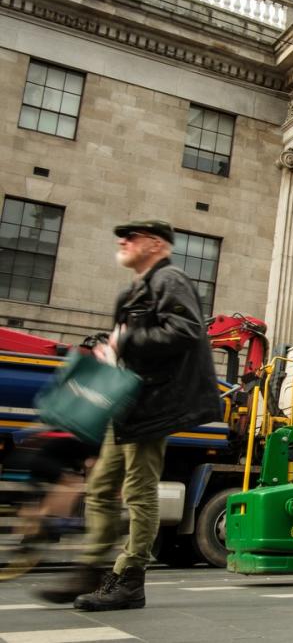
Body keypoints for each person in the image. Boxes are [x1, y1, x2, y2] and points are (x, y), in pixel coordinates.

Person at [38, 220, 219, 610]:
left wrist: (125, 340)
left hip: (152, 405)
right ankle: (91, 568)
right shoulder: (134, 289)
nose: (122, 241)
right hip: (128, 403)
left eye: (131, 237)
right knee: (102, 487)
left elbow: (186, 331)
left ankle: (129, 577)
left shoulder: (170, 279)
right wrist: (110, 348)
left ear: (155, 244)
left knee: (138, 490)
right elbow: (133, 343)